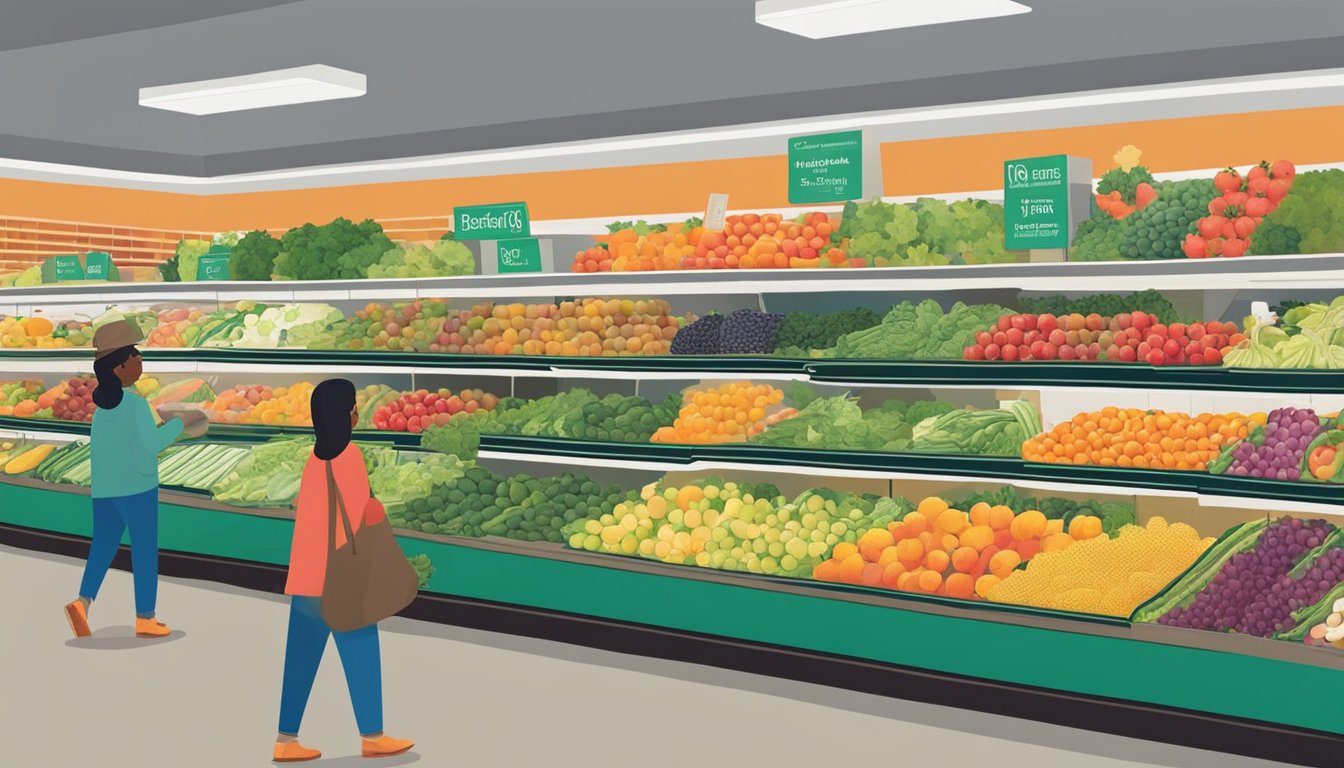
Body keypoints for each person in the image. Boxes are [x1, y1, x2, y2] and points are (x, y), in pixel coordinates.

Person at [273, 378, 414, 763]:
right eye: (353, 406)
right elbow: (361, 516)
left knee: (299, 660)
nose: (356, 412)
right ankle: (373, 736)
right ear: (344, 415)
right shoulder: (349, 457)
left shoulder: (313, 458)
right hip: (341, 578)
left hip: (305, 578)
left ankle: (286, 740)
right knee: (363, 654)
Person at [64, 319, 207, 639]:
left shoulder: (101, 412)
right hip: (138, 489)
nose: (140, 360)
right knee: (143, 551)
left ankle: (82, 603)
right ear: (119, 367)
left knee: (101, 548)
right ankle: (145, 618)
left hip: (104, 492)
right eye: (134, 355)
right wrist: (181, 423)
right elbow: (152, 444)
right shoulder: (137, 406)